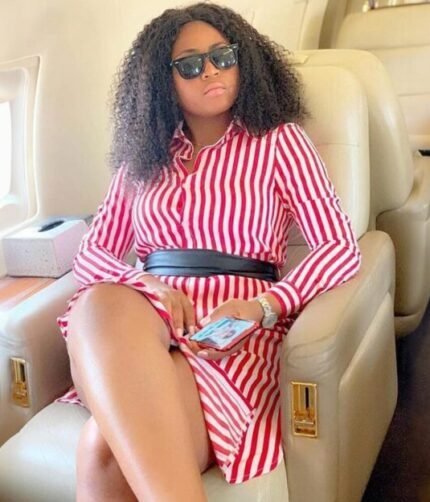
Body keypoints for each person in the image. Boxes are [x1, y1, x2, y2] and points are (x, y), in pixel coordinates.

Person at [56, 3, 361, 501]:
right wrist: (146, 284)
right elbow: (92, 255)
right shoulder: (142, 161)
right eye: (190, 64)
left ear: (244, 60)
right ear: (164, 82)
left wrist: (264, 306)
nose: (211, 71)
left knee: (101, 453)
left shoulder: (279, 143)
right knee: (100, 302)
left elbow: (339, 247)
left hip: (230, 340)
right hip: (139, 330)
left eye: (223, 56)